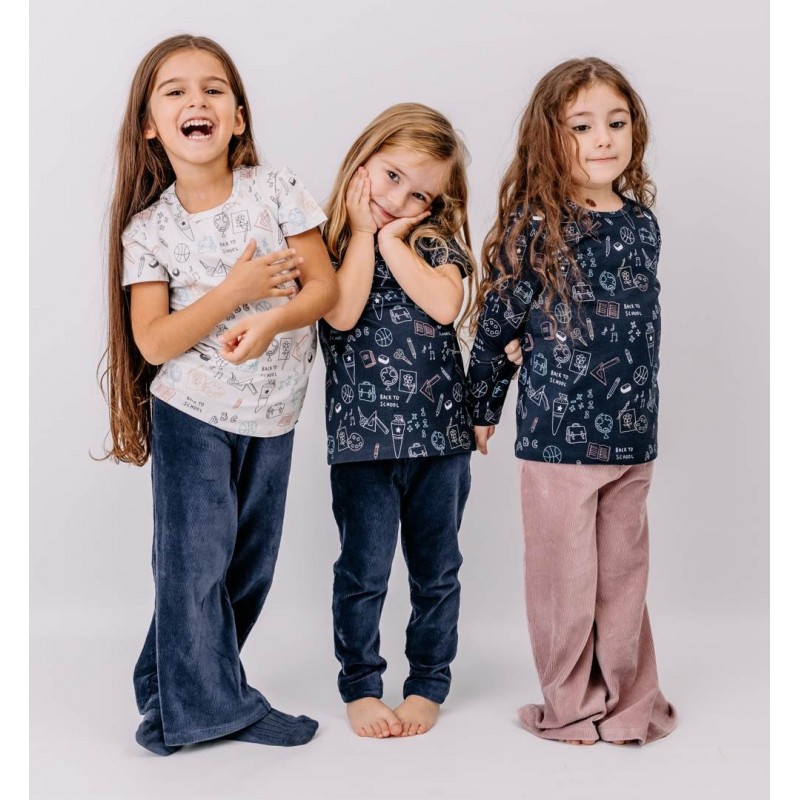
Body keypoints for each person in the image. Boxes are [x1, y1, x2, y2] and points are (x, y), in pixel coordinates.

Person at [101, 34, 338, 755]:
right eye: (174, 91)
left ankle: (168, 691)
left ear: (237, 117)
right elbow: (154, 342)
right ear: (150, 125)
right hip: (192, 414)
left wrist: (271, 322)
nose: (195, 100)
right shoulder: (150, 231)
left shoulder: (277, 189)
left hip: (274, 414)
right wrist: (236, 291)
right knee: (194, 568)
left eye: (212, 89)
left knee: (247, 568)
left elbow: (323, 289)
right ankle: (207, 710)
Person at [468, 58, 677, 745]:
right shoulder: (535, 225)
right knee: (564, 581)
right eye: (581, 126)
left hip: (632, 435)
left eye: (616, 122)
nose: (603, 138)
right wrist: (482, 406)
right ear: (549, 138)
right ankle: (569, 705)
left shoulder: (642, 224)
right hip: (557, 436)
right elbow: (497, 323)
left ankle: (629, 700)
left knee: (623, 578)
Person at [318, 103, 476, 738]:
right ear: (362, 159)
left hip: (440, 440)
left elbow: (443, 305)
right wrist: (363, 236)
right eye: (390, 177)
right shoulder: (326, 243)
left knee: (436, 571)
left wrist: (391, 240)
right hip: (363, 446)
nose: (397, 200)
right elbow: (342, 313)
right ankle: (361, 685)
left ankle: (428, 682)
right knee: (363, 571)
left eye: (419, 195)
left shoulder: (431, 241)